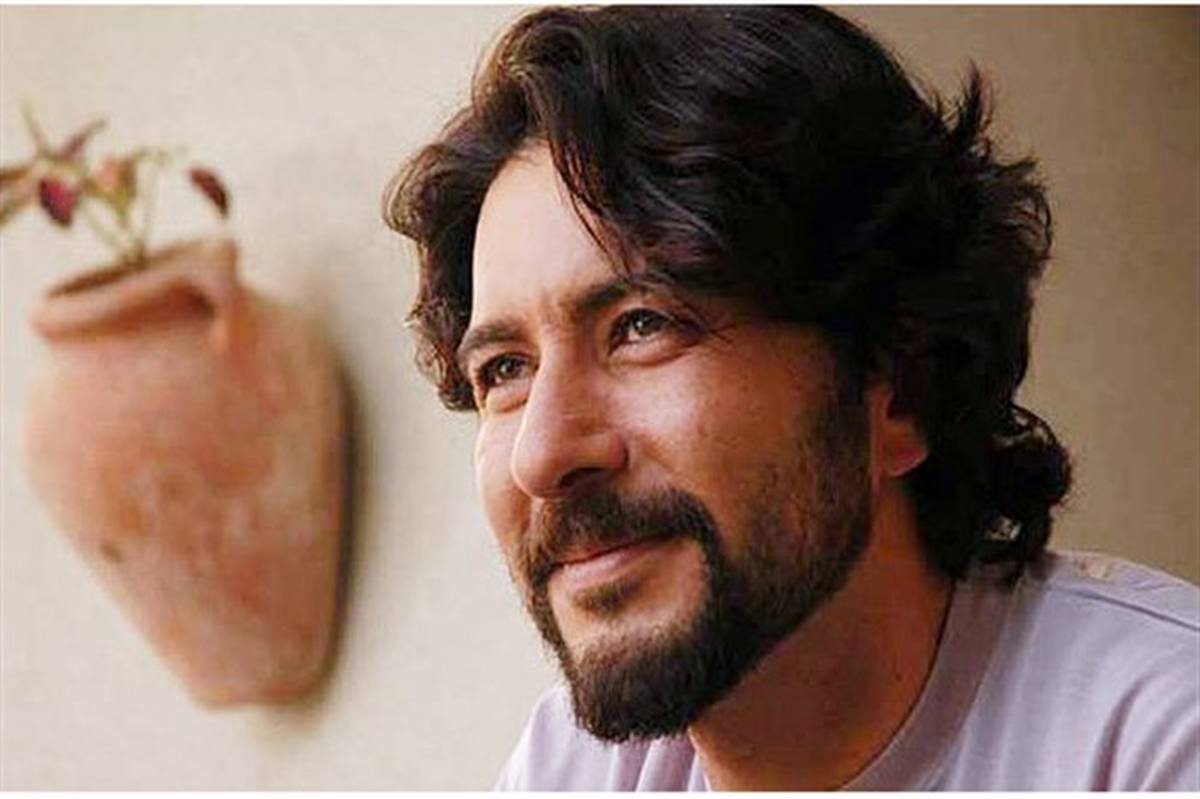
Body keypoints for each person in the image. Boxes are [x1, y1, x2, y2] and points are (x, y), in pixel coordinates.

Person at [384, 5, 1199, 790]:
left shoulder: (1157, 738)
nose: (543, 454)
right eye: (505, 369)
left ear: (899, 386)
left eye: (641, 326)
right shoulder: (574, 771)